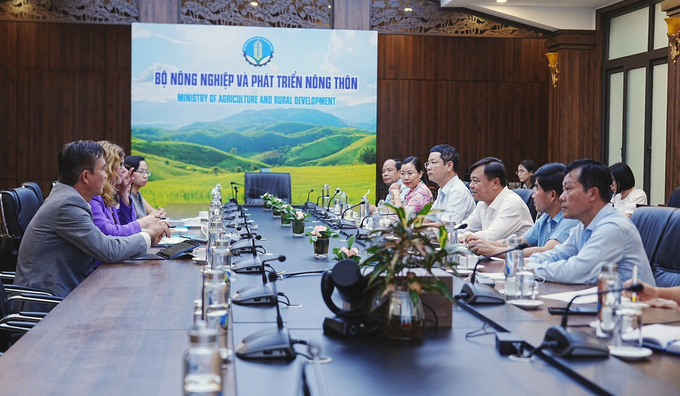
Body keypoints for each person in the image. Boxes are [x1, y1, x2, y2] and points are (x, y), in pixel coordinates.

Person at [14, 141, 170, 309]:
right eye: (103, 169)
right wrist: (148, 235)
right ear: (86, 176)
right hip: (48, 303)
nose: (106, 175)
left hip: (67, 293)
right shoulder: (68, 205)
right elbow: (108, 250)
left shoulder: (70, 198)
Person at [526, 159, 655, 285]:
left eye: (568, 189)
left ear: (593, 194)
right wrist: (523, 263)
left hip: (631, 304)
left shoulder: (613, 227)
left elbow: (575, 271)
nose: (562, 197)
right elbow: (557, 255)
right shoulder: (582, 226)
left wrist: (529, 269)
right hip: (599, 302)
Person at [467, 163, 579, 257]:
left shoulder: (571, 219)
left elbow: (547, 250)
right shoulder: (546, 217)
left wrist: (494, 251)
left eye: (536, 189)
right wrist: (484, 244)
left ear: (552, 195)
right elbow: (519, 242)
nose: (533, 195)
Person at [90, 141, 159, 237]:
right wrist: (142, 223)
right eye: (121, 164)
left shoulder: (107, 195)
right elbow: (110, 233)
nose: (124, 170)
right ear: (108, 167)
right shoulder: (94, 196)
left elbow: (126, 228)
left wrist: (124, 196)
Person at [460, 157, 534, 242]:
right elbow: (466, 228)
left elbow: (491, 237)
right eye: (471, 181)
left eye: (475, 181)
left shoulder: (512, 203)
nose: (471, 185)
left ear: (495, 183)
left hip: (515, 255)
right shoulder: (483, 202)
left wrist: (463, 237)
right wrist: (447, 233)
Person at [424, 144, 475, 226]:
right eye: (428, 163)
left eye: (433, 162)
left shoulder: (458, 191)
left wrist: (413, 227)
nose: (428, 167)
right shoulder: (442, 189)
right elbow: (429, 219)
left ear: (449, 166)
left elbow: (447, 225)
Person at [124, 155, 166, 219]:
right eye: (141, 172)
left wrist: (160, 212)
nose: (145, 176)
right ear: (129, 172)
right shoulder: (126, 195)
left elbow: (152, 211)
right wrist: (154, 215)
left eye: (146, 172)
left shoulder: (137, 193)